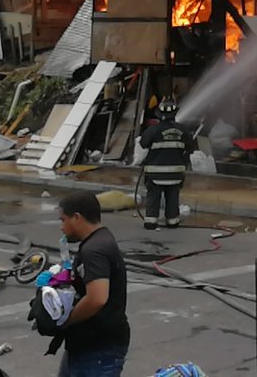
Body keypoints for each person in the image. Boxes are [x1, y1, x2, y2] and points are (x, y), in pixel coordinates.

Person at [55, 190, 130, 376]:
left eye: (63, 220)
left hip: (98, 348)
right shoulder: (100, 239)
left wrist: (67, 320)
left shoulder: (94, 250)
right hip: (87, 344)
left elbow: (97, 298)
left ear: (77, 217)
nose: (61, 227)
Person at [139, 96, 195, 229]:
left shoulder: (153, 130)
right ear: (175, 114)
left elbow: (143, 144)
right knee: (173, 197)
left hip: (155, 174)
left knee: (153, 197)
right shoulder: (183, 130)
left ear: (159, 114)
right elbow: (190, 147)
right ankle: (172, 221)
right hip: (175, 174)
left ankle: (151, 222)